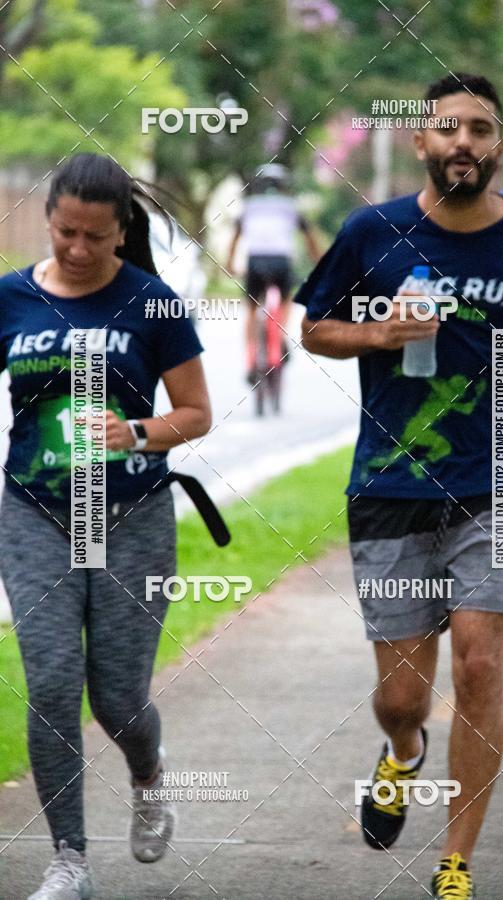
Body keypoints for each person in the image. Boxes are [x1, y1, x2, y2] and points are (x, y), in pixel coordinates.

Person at [296, 74, 503, 899]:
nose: (464, 142)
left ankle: (455, 860)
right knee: (402, 697)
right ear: (421, 143)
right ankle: (402, 751)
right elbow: (314, 325)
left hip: (497, 477)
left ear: (498, 146)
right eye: (448, 129)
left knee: (482, 667)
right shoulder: (371, 230)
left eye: (481, 130)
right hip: (391, 482)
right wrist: (378, 331)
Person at [0, 153, 211, 899]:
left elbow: (196, 413)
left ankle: (148, 776)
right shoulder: (12, 299)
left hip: (131, 517)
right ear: (48, 220)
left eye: (96, 236)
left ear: (123, 231)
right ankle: (70, 863)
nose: (79, 250)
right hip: (35, 514)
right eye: (65, 233)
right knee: (53, 684)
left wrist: (138, 433)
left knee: (118, 699)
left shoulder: (153, 304)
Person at [225, 163, 321, 381]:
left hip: (255, 261)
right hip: (281, 262)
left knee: (250, 309)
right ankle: (278, 337)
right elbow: (310, 238)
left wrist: (230, 263)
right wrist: (319, 261)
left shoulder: (249, 207)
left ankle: (250, 361)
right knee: (286, 300)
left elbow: (234, 239)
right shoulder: (290, 207)